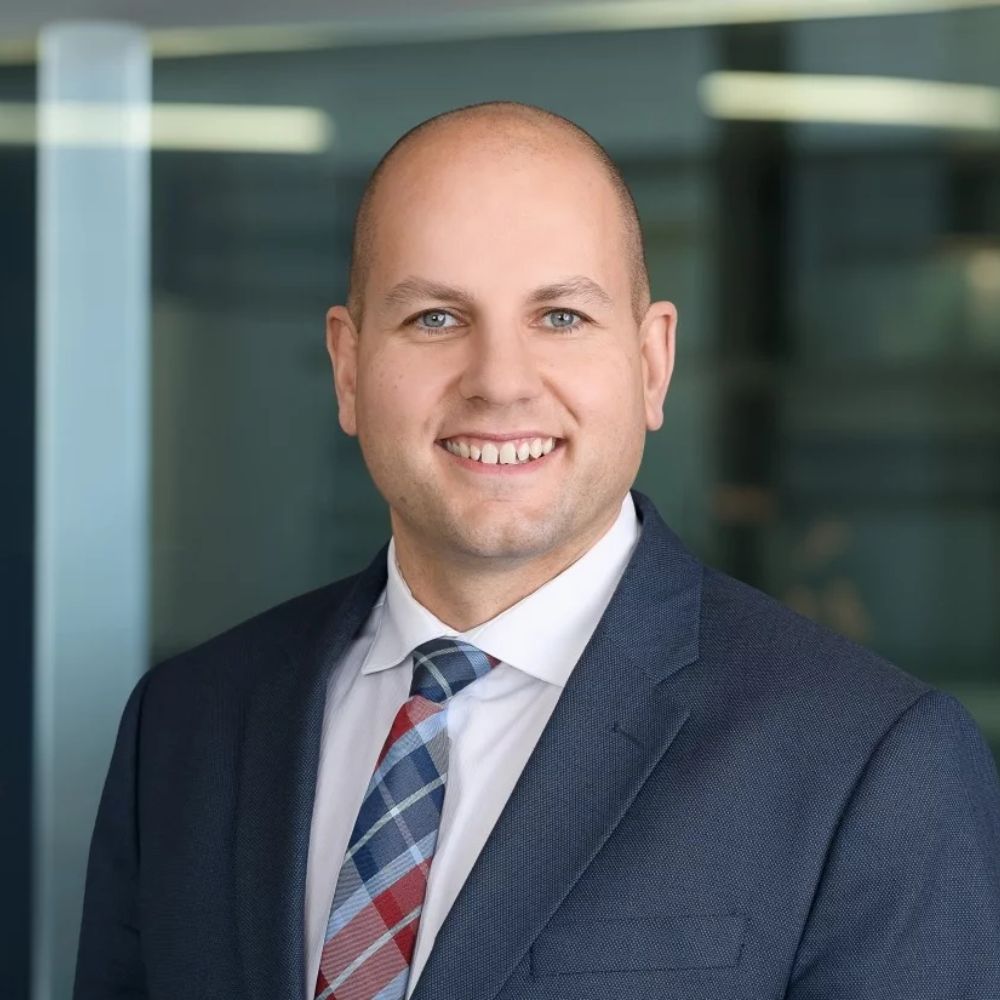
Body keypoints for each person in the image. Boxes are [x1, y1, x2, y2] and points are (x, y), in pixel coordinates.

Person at [74, 101, 1000, 1000]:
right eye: (436, 317)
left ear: (651, 361)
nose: (500, 383)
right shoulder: (186, 726)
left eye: (560, 317)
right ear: (349, 367)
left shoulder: (871, 766)